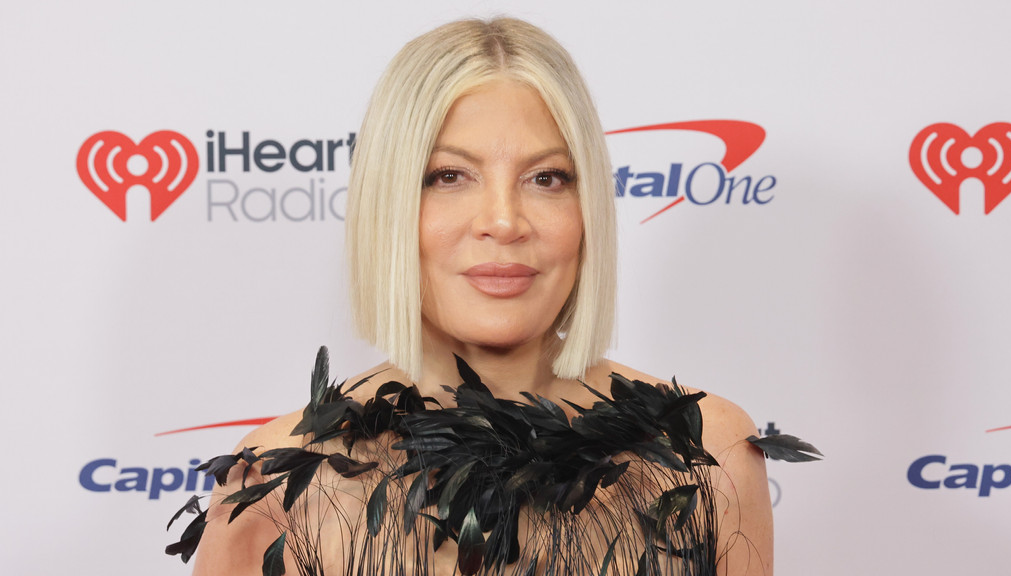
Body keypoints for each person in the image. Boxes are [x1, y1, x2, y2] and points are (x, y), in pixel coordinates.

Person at [169, 17, 813, 576]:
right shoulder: (277, 487)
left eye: (547, 178)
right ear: (387, 205)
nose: (504, 221)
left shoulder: (705, 454)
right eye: (449, 176)